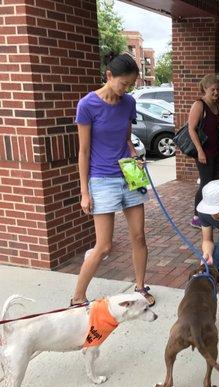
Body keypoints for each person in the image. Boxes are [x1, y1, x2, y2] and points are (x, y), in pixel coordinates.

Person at [72, 53, 154, 306]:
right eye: (123, 84)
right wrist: (84, 192)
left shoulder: (128, 103)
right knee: (104, 246)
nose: (126, 90)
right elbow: (83, 151)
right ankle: (77, 297)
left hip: (129, 174)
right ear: (109, 76)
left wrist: (135, 158)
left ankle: (140, 288)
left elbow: (127, 139)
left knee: (139, 237)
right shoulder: (87, 105)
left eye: (130, 85)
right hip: (102, 179)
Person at [189, 73, 219, 229]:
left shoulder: (217, 106)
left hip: (215, 150)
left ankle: (210, 212)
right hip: (203, 152)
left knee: (214, 182)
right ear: (205, 89)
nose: (216, 93)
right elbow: (191, 129)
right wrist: (199, 151)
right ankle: (196, 217)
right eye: (213, 90)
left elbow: (217, 129)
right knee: (205, 183)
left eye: (218, 89)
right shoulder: (199, 105)